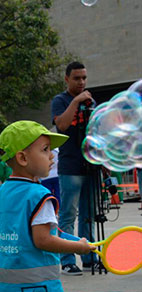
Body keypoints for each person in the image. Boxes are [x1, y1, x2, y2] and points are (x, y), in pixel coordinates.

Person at [0, 120, 95, 292]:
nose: (53, 156)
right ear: (23, 158)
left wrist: (75, 240)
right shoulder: (39, 195)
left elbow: (26, 233)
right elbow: (43, 239)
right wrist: (80, 248)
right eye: (45, 150)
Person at [51, 61, 97, 276]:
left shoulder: (91, 102)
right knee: (68, 214)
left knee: (89, 214)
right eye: (77, 78)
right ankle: (67, 260)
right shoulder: (60, 101)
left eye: (84, 78)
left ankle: (89, 256)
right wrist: (76, 101)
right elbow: (61, 125)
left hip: (90, 165)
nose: (81, 82)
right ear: (67, 79)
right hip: (70, 165)